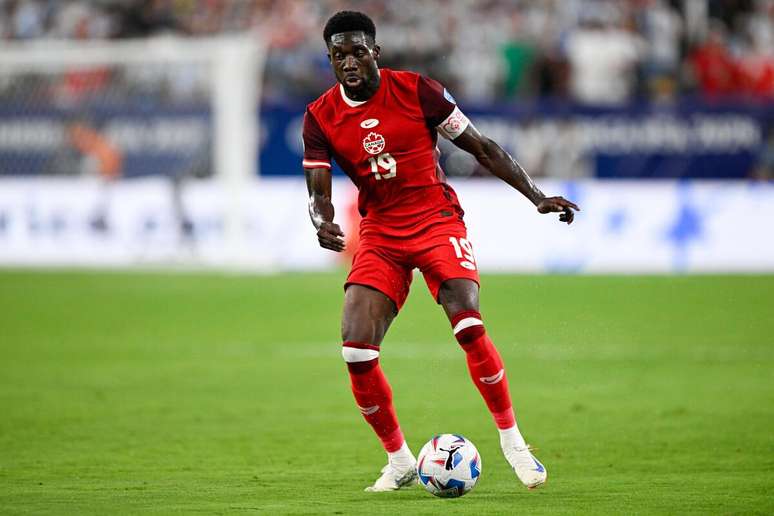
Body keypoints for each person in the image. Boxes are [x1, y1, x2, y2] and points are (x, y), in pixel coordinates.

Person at [302, 11, 579, 492]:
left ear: (376, 53)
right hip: (382, 233)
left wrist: (536, 195)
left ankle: (513, 442)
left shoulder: (418, 91)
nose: (349, 61)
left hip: (435, 219)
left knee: (467, 321)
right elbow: (318, 190)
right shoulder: (320, 116)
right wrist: (321, 221)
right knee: (355, 348)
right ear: (330, 59)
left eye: (357, 51)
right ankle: (399, 461)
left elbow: (482, 147)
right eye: (339, 54)